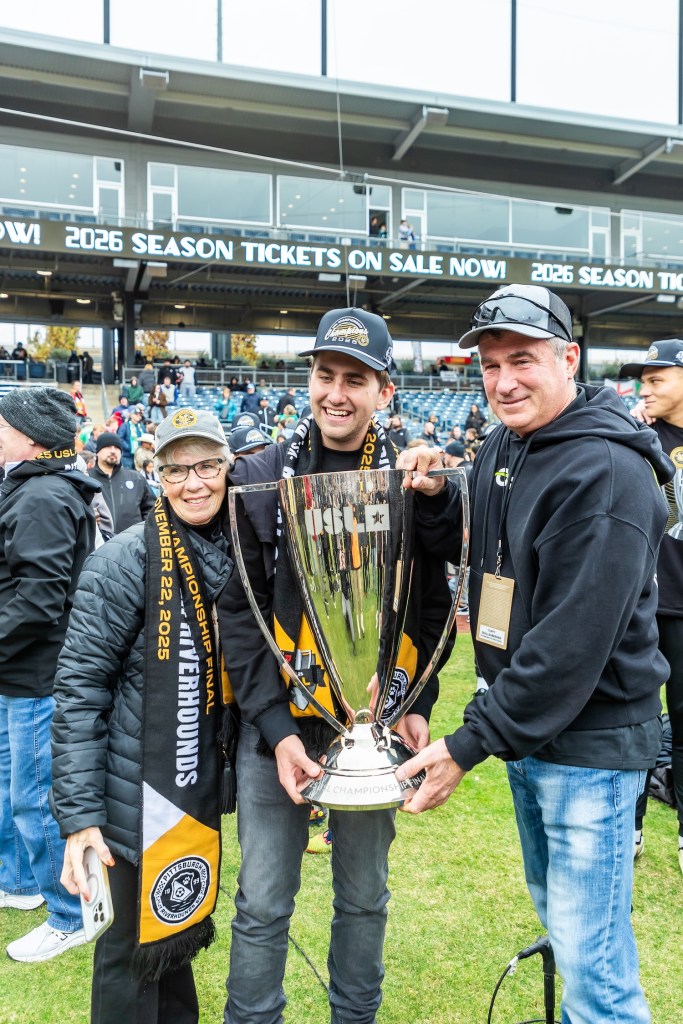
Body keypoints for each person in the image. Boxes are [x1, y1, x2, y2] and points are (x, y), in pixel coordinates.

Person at [396, 283, 673, 1024]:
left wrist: (468, 744)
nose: (504, 381)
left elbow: (569, 646)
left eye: (522, 360)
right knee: (566, 931)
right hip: (530, 733)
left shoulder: (606, 473)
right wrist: (436, 499)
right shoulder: (504, 442)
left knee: (595, 972)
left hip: (589, 746)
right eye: (490, 365)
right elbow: (486, 553)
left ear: (568, 359)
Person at [218, 307, 458, 1024]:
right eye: (326, 375)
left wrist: (415, 701)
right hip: (280, 731)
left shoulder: (411, 480)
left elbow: (432, 603)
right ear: (310, 381)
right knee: (263, 901)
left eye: (356, 379)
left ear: (384, 391)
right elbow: (242, 615)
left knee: (363, 897)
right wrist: (274, 730)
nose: (337, 394)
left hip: (371, 731)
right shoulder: (261, 474)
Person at [52, 409, 233, 1024]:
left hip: (191, 789)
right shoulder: (124, 559)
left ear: (228, 468)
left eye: (206, 466)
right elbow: (79, 692)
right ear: (157, 476)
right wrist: (80, 818)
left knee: (172, 942)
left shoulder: (239, 551)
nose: (194, 483)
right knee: (129, 952)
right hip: (129, 796)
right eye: (176, 470)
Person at [0, 388, 99, 962]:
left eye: (3, 426)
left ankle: (69, 914)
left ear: (32, 438)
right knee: (13, 789)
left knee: (36, 798)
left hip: (38, 675)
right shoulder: (32, 486)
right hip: (18, 672)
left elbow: (39, 601)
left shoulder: (42, 495)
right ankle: (19, 884)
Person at [619, 339, 683, 871]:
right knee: (636, 723)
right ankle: (632, 828)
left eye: (656, 378)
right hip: (641, 602)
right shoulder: (634, 433)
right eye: (643, 379)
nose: (645, 388)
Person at [88, 432, 155, 533]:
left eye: (117, 448)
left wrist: (144, 531)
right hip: (98, 540)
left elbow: (151, 508)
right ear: (98, 451)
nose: (113, 451)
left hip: (132, 539)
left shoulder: (136, 478)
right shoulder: (87, 478)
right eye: (108, 447)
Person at [117, 404, 146, 468]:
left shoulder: (141, 426)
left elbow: (145, 437)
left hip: (140, 455)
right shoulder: (125, 426)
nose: (138, 416)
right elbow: (119, 438)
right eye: (136, 414)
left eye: (140, 414)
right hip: (127, 456)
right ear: (131, 415)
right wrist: (129, 447)